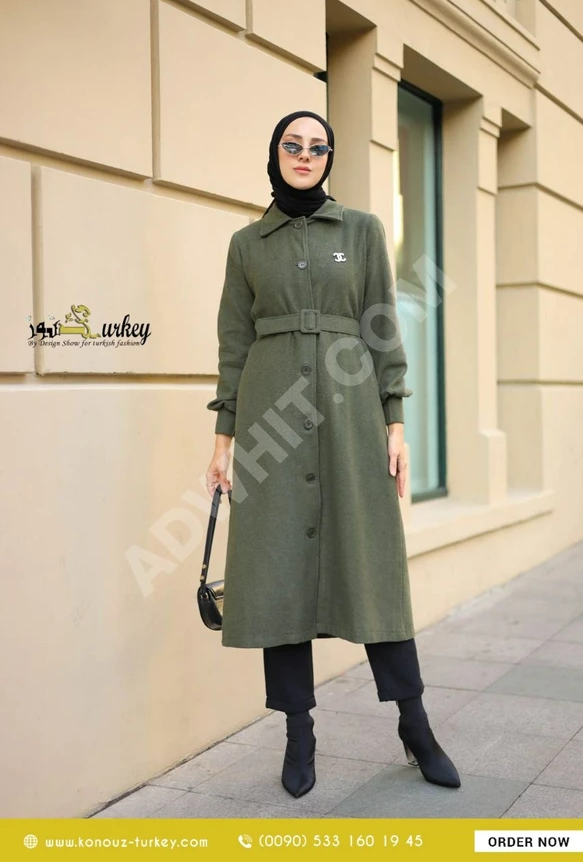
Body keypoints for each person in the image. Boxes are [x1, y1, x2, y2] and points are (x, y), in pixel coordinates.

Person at [205, 110, 460, 798]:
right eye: (292, 145)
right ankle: (298, 734)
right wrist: (224, 438)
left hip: (350, 420)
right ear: (274, 154)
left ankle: (416, 725)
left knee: (373, 568)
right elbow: (234, 343)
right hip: (270, 423)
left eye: (317, 147)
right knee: (277, 575)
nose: (305, 155)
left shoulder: (363, 231)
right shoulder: (246, 244)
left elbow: (383, 329)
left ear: (329, 159)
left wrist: (395, 421)